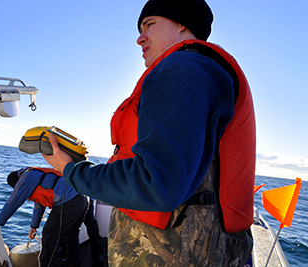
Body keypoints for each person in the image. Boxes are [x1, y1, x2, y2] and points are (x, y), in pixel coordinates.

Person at [43, 0, 256, 266]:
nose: (139, 38)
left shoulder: (182, 69)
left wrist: (71, 170)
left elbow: (155, 183)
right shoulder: (205, 70)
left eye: (149, 25)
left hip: (173, 253)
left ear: (182, 24)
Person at [0, 167, 87, 267]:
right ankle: (72, 263)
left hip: (69, 201)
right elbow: (39, 205)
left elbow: (14, 200)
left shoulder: (26, 177)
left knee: (49, 237)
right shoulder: (36, 176)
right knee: (71, 234)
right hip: (82, 198)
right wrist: (33, 226)